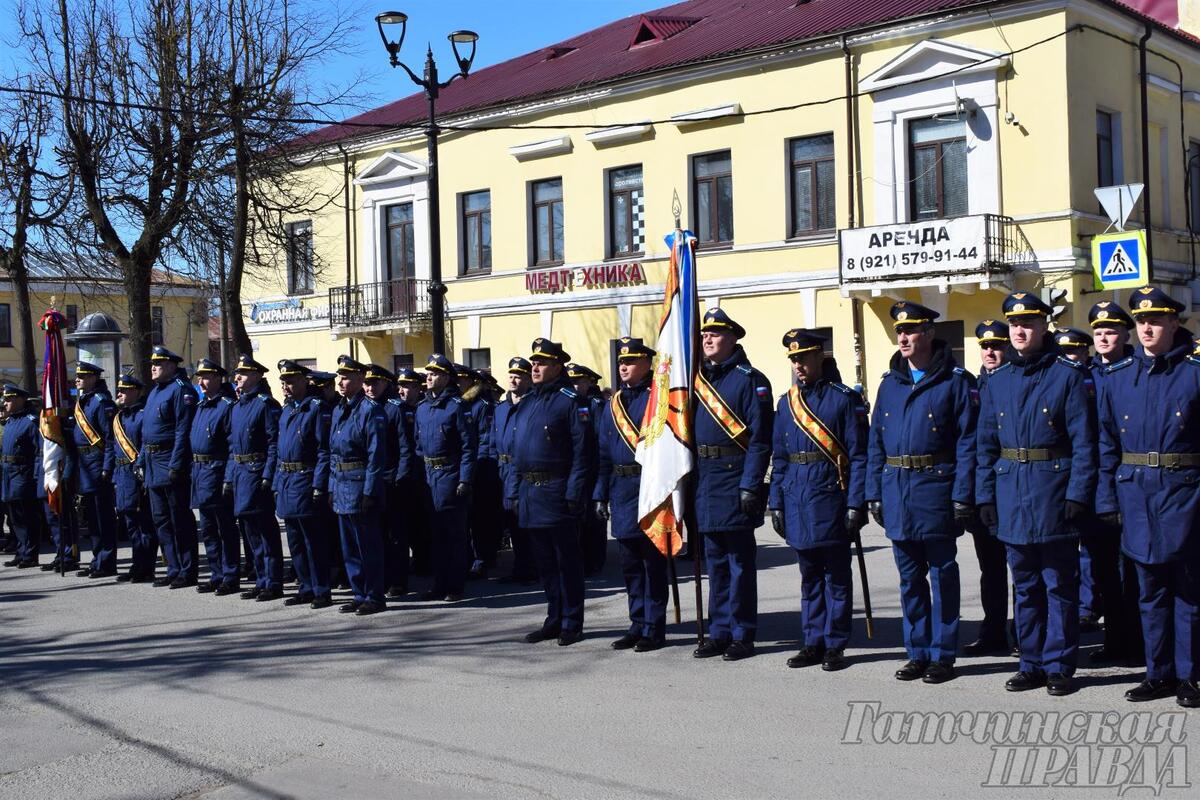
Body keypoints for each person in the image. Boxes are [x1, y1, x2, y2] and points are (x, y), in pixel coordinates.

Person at [976, 291, 1097, 697]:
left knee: (1059, 584)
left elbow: (1084, 443)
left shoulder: (1066, 376)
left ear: (1046, 326)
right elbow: (986, 444)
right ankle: (1030, 662)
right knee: (1024, 585)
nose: (1019, 330)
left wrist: (1078, 494)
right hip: (1012, 490)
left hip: (1054, 490)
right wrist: (985, 497)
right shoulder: (997, 380)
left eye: (1028, 323)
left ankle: (1060, 665)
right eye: (1014, 324)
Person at [1096, 287, 1200, 708]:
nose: (1147, 327)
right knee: (1149, 590)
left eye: (1155, 320)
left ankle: (1191, 675)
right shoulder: (1118, 377)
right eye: (1140, 321)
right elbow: (1105, 443)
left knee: (1189, 590)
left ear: (1175, 323)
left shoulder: (1194, 372)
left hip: (1186, 492)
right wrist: (1105, 500)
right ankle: (1158, 673)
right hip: (1136, 494)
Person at [866, 301, 976, 685]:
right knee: (909, 579)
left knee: (942, 575)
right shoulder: (889, 383)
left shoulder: (955, 381)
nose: (904, 337)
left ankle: (943, 655)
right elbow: (875, 441)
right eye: (900, 332)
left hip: (936, 488)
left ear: (929, 333)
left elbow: (968, 443)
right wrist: (873, 492)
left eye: (911, 331)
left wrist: (963, 495)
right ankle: (917, 651)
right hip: (897, 490)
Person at [768, 329, 867, 671]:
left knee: (836, 576)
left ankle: (835, 644)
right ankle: (812, 641)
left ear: (819, 357)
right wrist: (775, 502)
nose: (798, 365)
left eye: (804, 357)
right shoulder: (786, 403)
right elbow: (779, 458)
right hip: (796, 497)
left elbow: (858, 456)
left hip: (830, 496)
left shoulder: (842, 399)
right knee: (809, 576)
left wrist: (857, 504)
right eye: (794, 359)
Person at [691, 309, 773, 662]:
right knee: (715, 562)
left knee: (739, 563)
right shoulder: (695, 382)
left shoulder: (750, 380)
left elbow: (760, 440)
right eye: (705, 334)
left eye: (716, 334)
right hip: (705, 479)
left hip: (735, 476)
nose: (707, 339)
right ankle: (718, 630)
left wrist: (751, 484)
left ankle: (742, 633)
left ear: (733, 339)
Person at [508, 338, 594, 646]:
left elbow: (583, 452)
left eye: (542, 362)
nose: (535, 367)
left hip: (558, 491)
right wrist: (515, 491)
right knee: (544, 563)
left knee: (566, 561)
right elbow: (519, 452)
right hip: (531, 492)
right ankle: (553, 618)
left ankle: (572, 621)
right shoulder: (529, 401)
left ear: (558, 366)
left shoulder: (570, 401)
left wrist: (574, 492)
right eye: (534, 362)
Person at [594, 338, 666, 652]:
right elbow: (602, 454)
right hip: (621, 490)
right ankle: (636, 623)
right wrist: (600, 494)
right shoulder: (613, 403)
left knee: (652, 563)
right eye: (622, 362)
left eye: (632, 361)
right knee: (630, 563)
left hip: (650, 487)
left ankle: (654, 626)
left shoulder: (659, 398)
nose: (624, 367)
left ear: (647, 364)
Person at [1086, 300, 1144, 665]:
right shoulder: (1085, 373)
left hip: (1130, 483)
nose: (1104, 338)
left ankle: (1138, 644)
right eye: (1098, 332)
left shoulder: (1137, 370)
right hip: (1093, 486)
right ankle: (1115, 642)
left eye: (1111, 331)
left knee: (1134, 573)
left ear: (1125, 335)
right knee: (1103, 570)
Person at [963, 320, 1012, 656]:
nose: (990, 352)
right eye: (985, 346)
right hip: (984, 491)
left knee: (1026, 571)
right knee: (991, 568)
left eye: (997, 346)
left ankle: (1027, 635)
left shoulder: (1015, 382)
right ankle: (993, 631)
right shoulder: (971, 386)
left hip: (1015, 485)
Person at [328, 355, 388, 615]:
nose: (341, 382)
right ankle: (359, 592)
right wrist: (330, 486)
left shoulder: (370, 410)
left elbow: (377, 455)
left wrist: (370, 491)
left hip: (360, 484)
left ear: (360, 380)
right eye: (339, 377)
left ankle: (374, 595)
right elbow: (333, 452)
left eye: (347, 377)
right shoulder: (339, 409)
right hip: (341, 484)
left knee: (367, 545)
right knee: (349, 546)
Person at [415, 354, 475, 602]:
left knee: (454, 534)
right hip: (430, 477)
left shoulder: (456, 406)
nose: (429, 377)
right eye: (428, 372)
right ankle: (439, 583)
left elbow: (469, 447)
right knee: (435, 535)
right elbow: (418, 445)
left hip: (450, 475)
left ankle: (455, 585)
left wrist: (464, 479)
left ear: (447, 377)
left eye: (436, 373)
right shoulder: (423, 407)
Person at [274, 359, 332, 609]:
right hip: (287, 480)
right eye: (283, 382)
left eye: (291, 381)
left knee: (314, 540)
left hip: (306, 479)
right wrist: (277, 482)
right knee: (295, 540)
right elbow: (279, 450)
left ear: (303, 382)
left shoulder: (315, 408)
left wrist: (319, 484)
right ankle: (305, 586)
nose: (286, 386)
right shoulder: (287, 409)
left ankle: (321, 589)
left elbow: (323, 450)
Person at [226, 354, 283, 602]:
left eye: (244, 373)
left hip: (257, 472)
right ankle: (261, 579)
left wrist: (268, 475)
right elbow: (232, 446)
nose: (237, 377)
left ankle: (273, 581)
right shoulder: (237, 406)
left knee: (264, 531)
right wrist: (229, 477)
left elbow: (273, 444)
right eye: (237, 373)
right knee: (249, 531)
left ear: (258, 376)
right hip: (240, 474)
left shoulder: (265, 404)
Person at [140, 346, 199, 589]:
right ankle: (173, 568)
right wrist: (142, 460)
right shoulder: (155, 392)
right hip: (153, 463)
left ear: (173, 366)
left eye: (160, 363)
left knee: (179, 520)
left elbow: (182, 431)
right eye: (153, 363)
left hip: (169, 461)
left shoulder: (181, 391)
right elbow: (146, 433)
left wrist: (176, 465)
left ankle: (187, 570)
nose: (153, 367)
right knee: (161, 520)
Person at [189, 359, 240, 594]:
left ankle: (230, 575)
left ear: (219, 379)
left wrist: (228, 478)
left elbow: (232, 446)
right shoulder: (201, 405)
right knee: (208, 529)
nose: (201, 381)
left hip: (217, 472)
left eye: (206, 377)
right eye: (200, 377)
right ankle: (216, 573)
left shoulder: (227, 406)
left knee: (224, 528)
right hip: (200, 473)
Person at [364, 363, 408, 597]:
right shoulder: (365, 408)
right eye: (367, 383)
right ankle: (381, 578)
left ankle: (398, 580)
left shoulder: (394, 408)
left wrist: (400, 478)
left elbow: (404, 448)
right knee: (376, 534)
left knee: (395, 534)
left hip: (391, 479)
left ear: (385, 384)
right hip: (372, 480)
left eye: (375, 383)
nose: (370, 387)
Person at [71, 362, 118, 578]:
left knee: (103, 516)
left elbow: (110, 439)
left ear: (92, 378)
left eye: (82, 376)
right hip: (84, 465)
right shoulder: (84, 401)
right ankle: (97, 558)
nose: (77, 379)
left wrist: (107, 468)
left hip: (98, 464)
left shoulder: (101, 403)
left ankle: (106, 562)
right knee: (92, 517)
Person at [492, 358, 536, 583]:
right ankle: (520, 567)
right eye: (511, 374)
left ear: (529, 379)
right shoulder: (501, 408)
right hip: (503, 470)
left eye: (519, 375)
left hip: (523, 470)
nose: (513, 379)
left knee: (524, 522)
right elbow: (493, 440)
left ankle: (530, 569)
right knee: (511, 521)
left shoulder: (532, 405)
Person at [110, 375, 157, 583]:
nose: (119, 393)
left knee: (143, 524)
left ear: (136, 392)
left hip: (137, 474)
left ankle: (146, 567)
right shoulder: (119, 417)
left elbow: (146, 444)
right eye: (119, 390)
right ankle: (137, 564)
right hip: (122, 475)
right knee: (130, 524)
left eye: (125, 390)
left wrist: (140, 469)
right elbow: (114, 449)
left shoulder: (142, 415)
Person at [567, 362, 607, 576]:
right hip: (579, 468)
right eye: (570, 381)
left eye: (577, 381)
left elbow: (598, 438)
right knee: (579, 518)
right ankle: (582, 558)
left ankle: (595, 560)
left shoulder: (594, 404)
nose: (573, 386)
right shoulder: (575, 403)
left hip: (593, 467)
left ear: (589, 382)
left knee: (594, 519)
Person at [393, 367, 428, 590]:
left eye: (407, 386)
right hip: (407, 473)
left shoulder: (424, 408)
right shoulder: (398, 410)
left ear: (417, 388)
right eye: (400, 386)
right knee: (408, 522)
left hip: (425, 473)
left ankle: (425, 560)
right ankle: (415, 561)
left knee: (424, 522)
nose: (402, 391)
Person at [1, 385, 43, 569]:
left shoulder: (30, 421)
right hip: (8, 473)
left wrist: (35, 475)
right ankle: (21, 550)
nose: (5, 403)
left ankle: (30, 554)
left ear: (20, 399)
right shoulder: (11, 421)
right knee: (14, 517)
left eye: (9, 399)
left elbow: (38, 451)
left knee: (26, 516)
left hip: (23, 473)